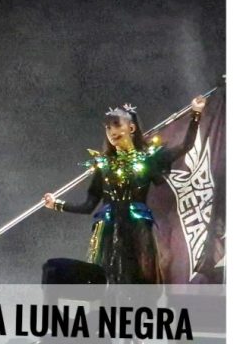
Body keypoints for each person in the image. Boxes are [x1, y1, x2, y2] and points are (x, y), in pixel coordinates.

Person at [43, 96, 206, 284]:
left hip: (137, 230)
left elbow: (185, 146)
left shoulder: (147, 159)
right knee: (108, 279)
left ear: (131, 128)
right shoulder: (103, 165)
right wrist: (56, 204)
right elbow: (89, 205)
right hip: (108, 231)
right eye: (108, 128)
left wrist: (196, 113)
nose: (112, 132)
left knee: (137, 277)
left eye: (116, 125)